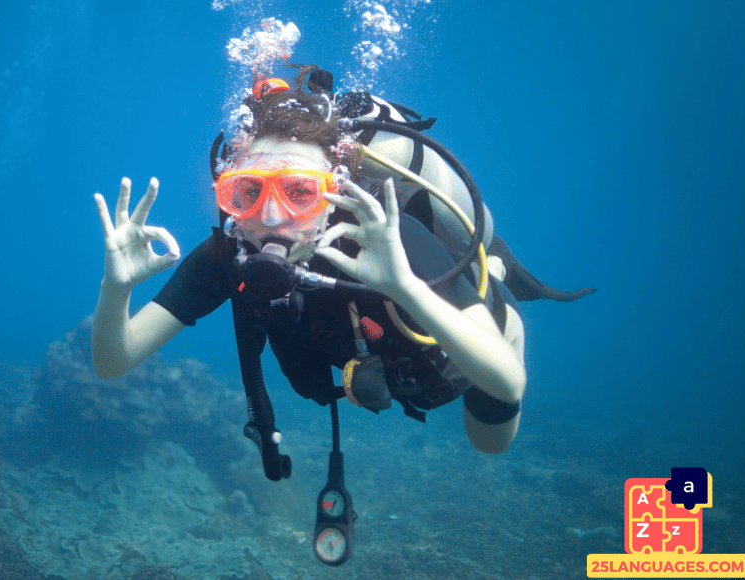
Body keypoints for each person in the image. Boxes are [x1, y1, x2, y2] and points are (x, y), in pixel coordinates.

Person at [92, 65, 530, 455]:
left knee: (489, 444)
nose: (269, 216)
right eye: (247, 192)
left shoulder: (384, 240)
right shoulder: (228, 256)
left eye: (299, 192)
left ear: (333, 194)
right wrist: (116, 289)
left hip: (469, 362)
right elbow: (113, 362)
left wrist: (405, 286)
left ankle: (492, 271)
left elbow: (507, 381)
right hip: (389, 366)